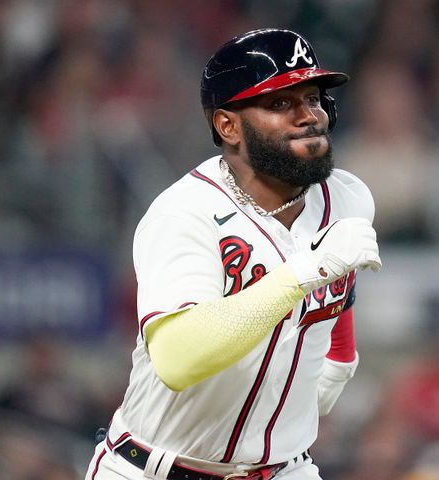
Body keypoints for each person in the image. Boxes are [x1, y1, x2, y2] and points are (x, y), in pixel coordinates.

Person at [85, 28, 381, 480]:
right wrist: (307, 270)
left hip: (284, 469)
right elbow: (177, 358)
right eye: (281, 103)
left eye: (314, 98)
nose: (309, 116)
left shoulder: (349, 198)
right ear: (228, 126)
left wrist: (341, 354)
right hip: (159, 467)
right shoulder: (185, 214)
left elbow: (338, 285)